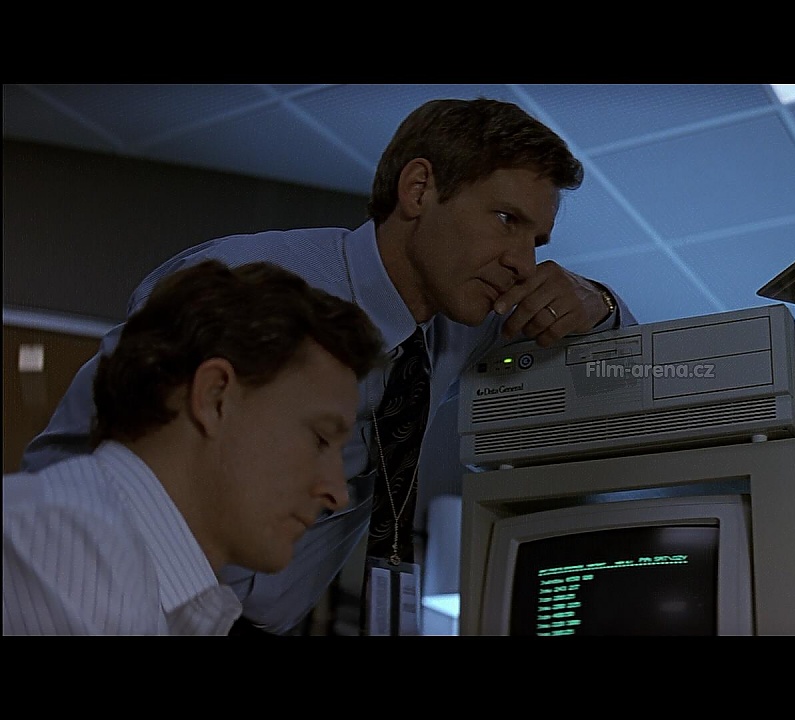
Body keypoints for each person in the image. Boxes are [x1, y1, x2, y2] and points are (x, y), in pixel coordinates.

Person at [20, 96, 638, 634]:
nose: (524, 262)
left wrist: (601, 304)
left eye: (537, 240)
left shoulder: (473, 324)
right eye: (506, 220)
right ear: (418, 189)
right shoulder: (246, 286)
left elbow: (639, 377)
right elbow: (76, 459)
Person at [3, 259, 385, 635]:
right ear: (215, 397)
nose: (337, 494)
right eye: (320, 439)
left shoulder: (151, 592)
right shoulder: (59, 559)